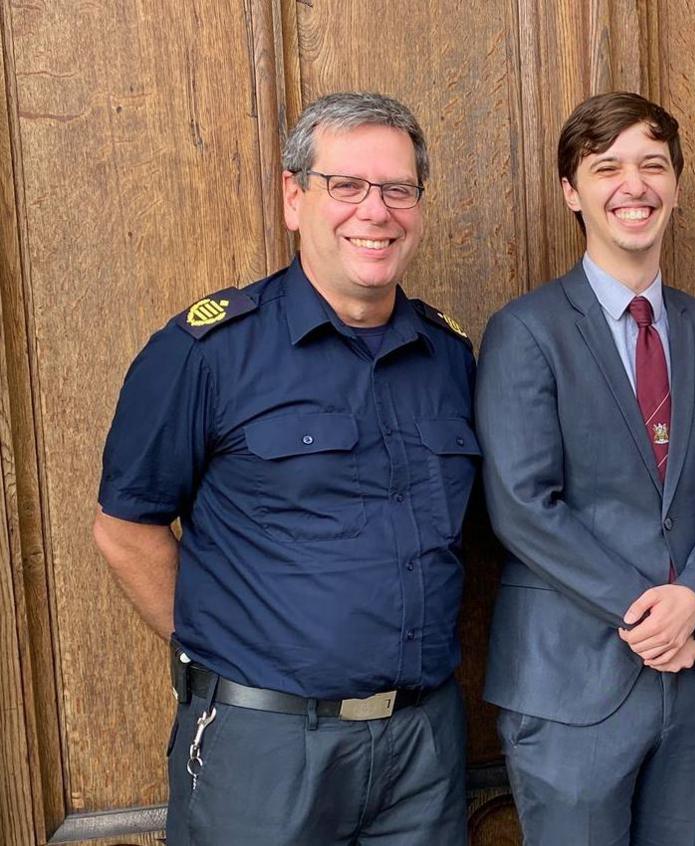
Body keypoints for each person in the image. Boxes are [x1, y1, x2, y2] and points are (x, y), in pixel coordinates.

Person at [93, 92, 478, 844]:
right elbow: (125, 527)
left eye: (399, 189)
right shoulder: (207, 352)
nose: (377, 211)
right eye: (348, 186)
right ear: (294, 197)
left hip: (423, 745)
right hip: (264, 749)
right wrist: (231, 653)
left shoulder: (449, 358)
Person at [475, 91, 695, 845]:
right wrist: (650, 613)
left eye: (653, 165)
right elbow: (521, 506)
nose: (633, 186)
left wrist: (692, 598)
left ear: (675, 183)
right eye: (607, 168)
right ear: (574, 191)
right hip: (573, 685)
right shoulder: (526, 332)